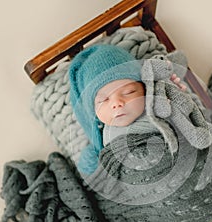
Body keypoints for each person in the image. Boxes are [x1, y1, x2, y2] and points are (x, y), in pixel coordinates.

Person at [69, 44, 188, 175]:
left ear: (144, 88)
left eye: (128, 92)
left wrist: (173, 91)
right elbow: (87, 170)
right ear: (94, 113)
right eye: (103, 100)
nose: (117, 103)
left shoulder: (158, 105)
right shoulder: (101, 142)